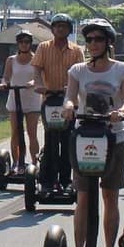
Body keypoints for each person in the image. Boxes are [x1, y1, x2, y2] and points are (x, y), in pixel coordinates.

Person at [63, 18, 124, 247]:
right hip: (85, 138)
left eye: (98, 39)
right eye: (89, 39)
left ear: (108, 42)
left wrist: (119, 111)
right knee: (82, 197)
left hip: (114, 138)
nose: (93, 44)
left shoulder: (123, 69)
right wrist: (69, 108)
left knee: (109, 196)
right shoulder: (77, 70)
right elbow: (70, 98)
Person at [32, 13, 86, 190]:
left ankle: (65, 179)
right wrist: (39, 85)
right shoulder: (43, 48)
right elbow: (37, 69)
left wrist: (71, 87)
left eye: (63, 26)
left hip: (69, 102)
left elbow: (81, 74)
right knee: (50, 140)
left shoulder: (77, 50)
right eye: (56, 26)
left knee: (68, 140)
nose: (60, 29)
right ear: (52, 29)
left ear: (69, 30)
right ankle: (47, 179)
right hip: (49, 101)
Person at [1, 29, 42, 169]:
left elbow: (39, 78)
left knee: (32, 133)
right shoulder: (11, 60)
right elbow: (6, 77)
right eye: (21, 42)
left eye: (27, 42)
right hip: (15, 99)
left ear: (30, 43)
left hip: (33, 100)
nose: (24, 44)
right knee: (15, 133)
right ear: (18, 44)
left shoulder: (37, 58)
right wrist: (4, 84)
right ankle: (16, 163)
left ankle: (34, 164)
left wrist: (33, 83)